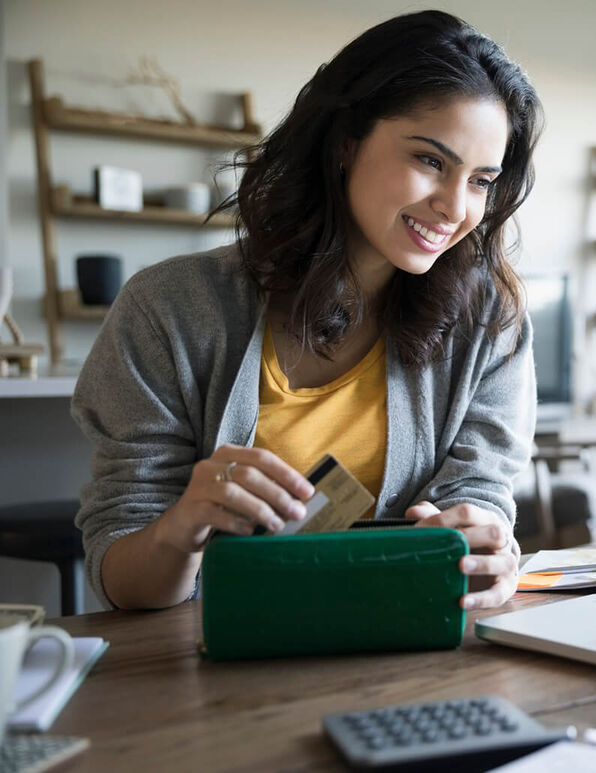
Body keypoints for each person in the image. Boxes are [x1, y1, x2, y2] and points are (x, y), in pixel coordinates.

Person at [71, 10, 543, 612]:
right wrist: (180, 526)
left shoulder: (489, 324)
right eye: (430, 161)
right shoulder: (169, 309)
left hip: (406, 648)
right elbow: (123, 579)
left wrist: (486, 550)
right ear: (347, 140)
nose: (454, 206)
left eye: (481, 181)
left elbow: (481, 502)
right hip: (215, 658)